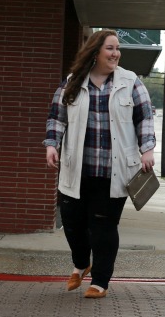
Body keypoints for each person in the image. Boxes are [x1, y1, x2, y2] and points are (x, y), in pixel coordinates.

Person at [44, 29, 156, 298]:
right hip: (76, 168)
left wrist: (147, 149)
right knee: (72, 224)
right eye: (110, 48)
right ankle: (82, 264)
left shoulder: (131, 82)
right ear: (95, 52)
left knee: (103, 228)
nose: (116, 53)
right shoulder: (73, 82)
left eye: (117, 48)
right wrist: (51, 144)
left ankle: (100, 281)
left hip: (114, 171)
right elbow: (57, 117)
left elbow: (145, 118)